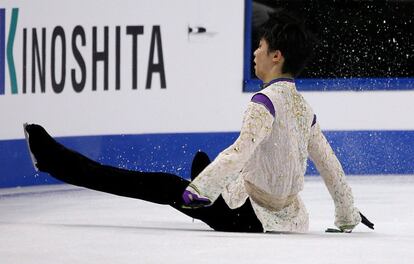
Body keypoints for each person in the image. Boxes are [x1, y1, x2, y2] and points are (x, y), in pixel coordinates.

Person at [24, 10, 373, 233]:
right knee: (215, 167)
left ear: (276, 56)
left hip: (248, 218)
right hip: (292, 218)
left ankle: (53, 160)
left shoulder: (263, 102)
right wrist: (347, 216)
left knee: (160, 185)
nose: (255, 52)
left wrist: (198, 192)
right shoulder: (303, 108)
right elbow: (330, 165)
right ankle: (206, 178)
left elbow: (240, 151)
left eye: (261, 46)